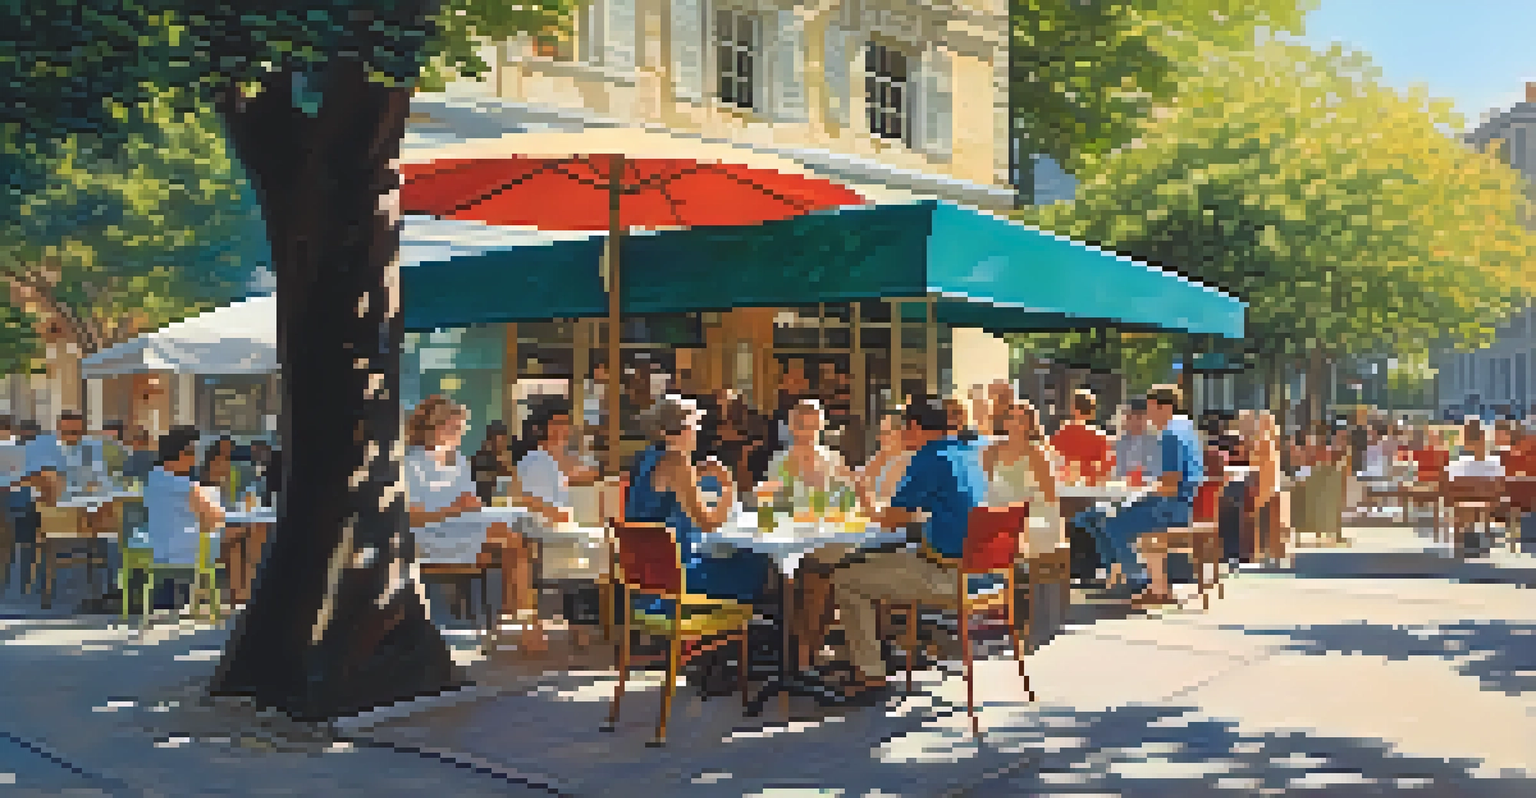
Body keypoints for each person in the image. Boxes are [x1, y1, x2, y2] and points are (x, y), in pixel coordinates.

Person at [828, 398, 987, 703]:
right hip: (984, 574)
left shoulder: (928, 458)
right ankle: (867, 654)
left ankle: (870, 675)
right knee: (870, 563)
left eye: (902, 426)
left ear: (914, 427)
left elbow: (890, 520)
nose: (900, 433)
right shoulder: (967, 454)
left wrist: (863, 495)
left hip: (950, 575)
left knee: (845, 578)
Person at [403, 395, 543, 650]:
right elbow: (411, 516)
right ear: (435, 427)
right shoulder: (413, 463)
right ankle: (522, 623)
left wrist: (470, 506)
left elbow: (467, 503)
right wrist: (453, 509)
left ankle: (518, 622)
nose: (460, 434)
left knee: (519, 544)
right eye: (455, 428)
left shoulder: (457, 461)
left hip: (461, 527)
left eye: (461, 428)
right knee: (513, 541)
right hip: (429, 535)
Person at [1074, 385, 1203, 604]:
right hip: (1183, 504)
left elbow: (1170, 484)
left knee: (1114, 523)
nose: (1148, 414)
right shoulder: (1186, 427)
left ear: (1161, 407)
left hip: (1170, 507)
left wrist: (1143, 489)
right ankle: (1130, 578)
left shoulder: (1170, 435)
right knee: (1103, 517)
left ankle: (1136, 580)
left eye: (1150, 408)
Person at [649, 396, 772, 604]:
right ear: (687, 429)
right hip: (680, 580)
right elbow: (709, 524)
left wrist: (697, 473)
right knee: (755, 560)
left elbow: (665, 488)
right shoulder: (679, 462)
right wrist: (727, 484)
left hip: (648, 579)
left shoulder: (649, 458)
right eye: (697, 426)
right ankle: (737, 629)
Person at [143, 426, 226, 610]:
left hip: (162, 545)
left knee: (241, 537)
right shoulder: (182, 485)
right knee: (247, 535)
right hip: (185, 546)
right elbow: (214, 516)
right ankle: (240, 597)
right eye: (190, 453)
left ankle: (235, 598)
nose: (194, 459)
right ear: (175, 455)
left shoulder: (154, 478)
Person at [984, 400, 1062, 557]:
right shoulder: (992, 451)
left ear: (1029, 425)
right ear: (1004, 422)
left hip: (1033, 514)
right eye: (1011, 418)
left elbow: (1050, 496)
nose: (1014, 424)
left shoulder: (1036, 453)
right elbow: (986, 486)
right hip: (1001, 511)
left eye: (1020, 420)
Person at [511, 399, 599, 526]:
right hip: (541, 529)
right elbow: (528, 503)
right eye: (557, 424)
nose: (562, 429)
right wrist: (559, 516)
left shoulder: (566, 460)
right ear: (543, 428)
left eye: (565, 424)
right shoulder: (535, 461)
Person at [1051, 388, 1111, 485]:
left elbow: (1051, 459)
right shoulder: (1100, 437)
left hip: (1064, 486)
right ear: (1092, 410)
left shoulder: (1062, 433)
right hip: (1090, 488)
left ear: (1073, 408)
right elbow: (1105, 469)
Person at [1114, 398, 1161, 483]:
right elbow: (1117, 472)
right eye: (1130, 417)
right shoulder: (1119, 442)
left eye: (1139, 417)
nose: (1135, 421)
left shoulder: (1154, 441)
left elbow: (1156, 472)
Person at [470, 421, 515, 506]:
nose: (501, 444)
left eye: (503, 440)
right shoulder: (481, 459)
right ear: (489, 441)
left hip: (504, 502)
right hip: (486, 504)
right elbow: (485, 489)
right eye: (497, 439)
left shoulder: (506, 456)